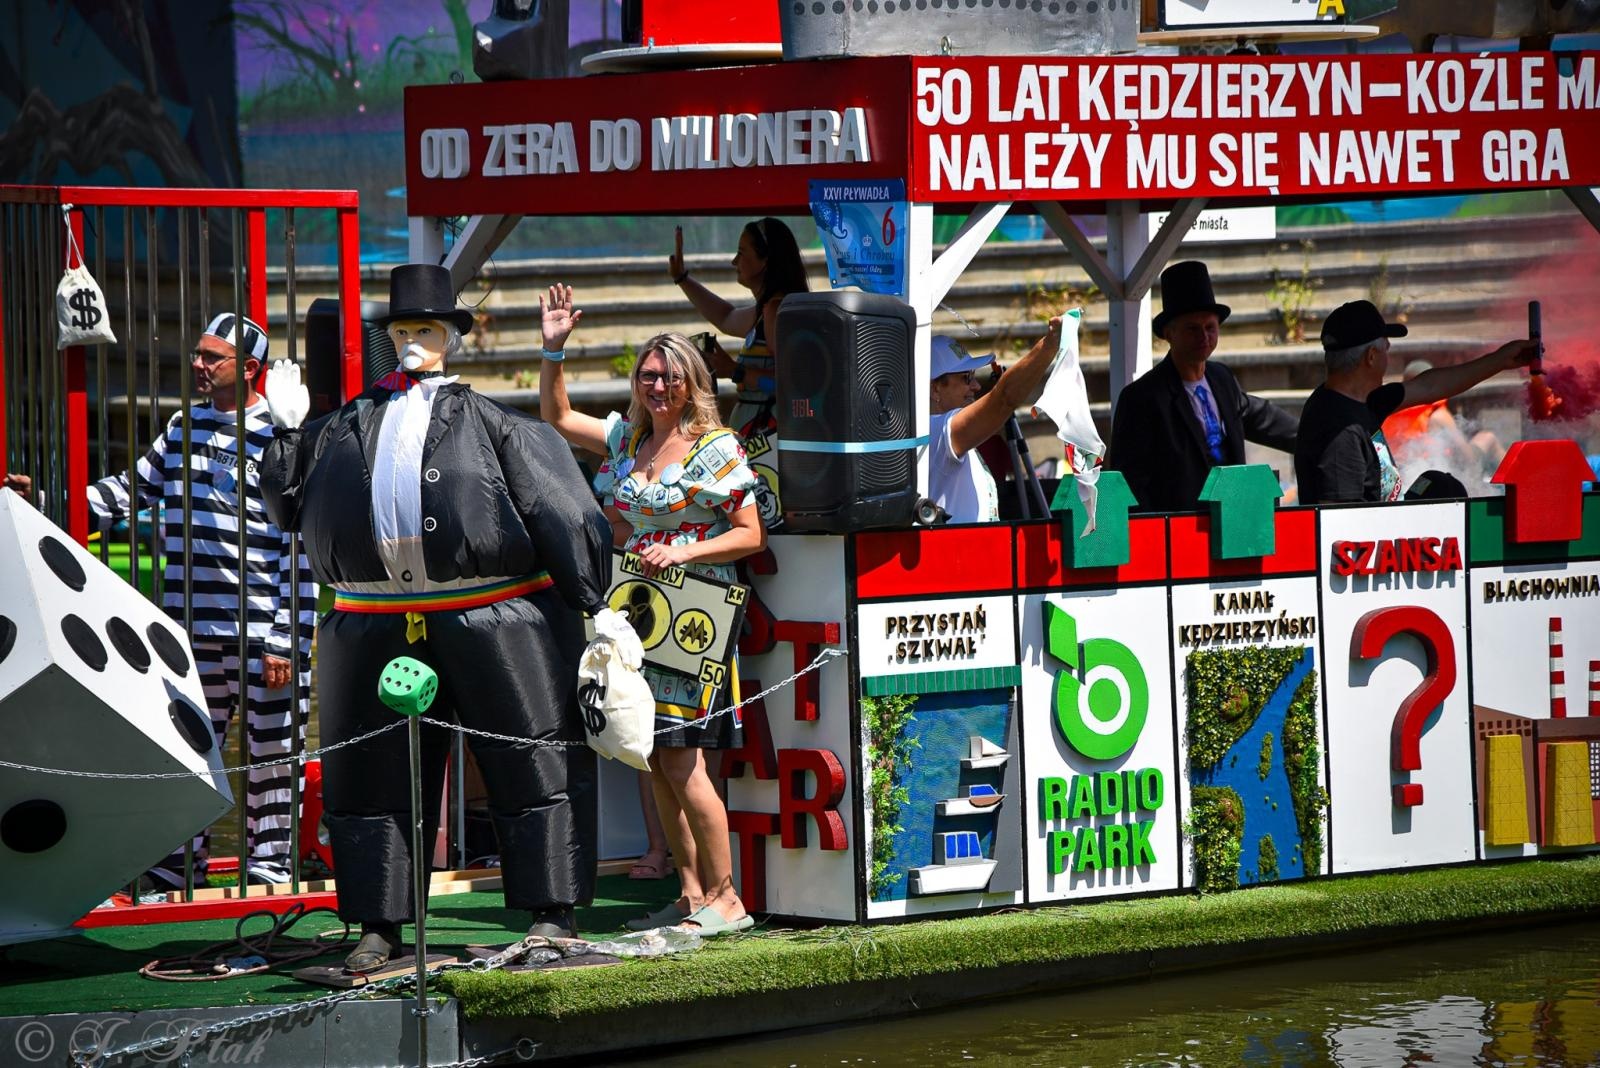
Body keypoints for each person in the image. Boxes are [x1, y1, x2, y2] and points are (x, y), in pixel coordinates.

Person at [260, 264, 612, 971]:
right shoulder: (337, 428)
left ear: (453, 336)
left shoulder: (498, 424)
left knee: (531, 759)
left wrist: (592, 603)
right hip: (371, 619)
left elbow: (567, 510)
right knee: (368, 775)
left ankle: (552, 914)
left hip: (493, 613)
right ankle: (379, 922)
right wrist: (285, 430)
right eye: (402, 331)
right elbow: (282, 506)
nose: (413, 342)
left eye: (425, 329)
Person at [8, 313, 316, 891]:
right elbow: (131, 491)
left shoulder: (282, 435)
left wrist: (286, 640)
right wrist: (49, 502)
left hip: (262, 634)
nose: (197, 365)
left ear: (248, 369)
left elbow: (300, 540)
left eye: (210, 357)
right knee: (186, 757)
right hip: (188, 634)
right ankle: (174, 871)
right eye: (197, 354)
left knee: (273, 757)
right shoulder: (183, 426)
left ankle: (271, 869)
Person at [539, 287, 766, 936]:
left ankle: (728, 898)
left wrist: (687, 546)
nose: (658, 385)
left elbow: (751, 534)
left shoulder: (715, 447)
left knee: (685, 760)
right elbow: (556, 415)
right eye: (648, 375)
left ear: (691, 383)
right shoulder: (624, 439)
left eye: (669, 376)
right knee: (654, 753)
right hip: (636, 618)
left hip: (699, 618)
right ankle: (691, 894)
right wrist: (553, 347)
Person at [1295, 300, 1537, 505]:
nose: (1388, 357)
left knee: (1438, 486)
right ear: (1371, 357)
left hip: (1383, 540)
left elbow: (1431, 386)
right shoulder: (1339, 431)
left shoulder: (1364, 400)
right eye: (1385, 350)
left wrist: (1501, 360)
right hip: (1367, 553)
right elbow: (1340, 527)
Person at [1107, 261, 1297, 513]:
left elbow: (1261, 418)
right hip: (1177, 533)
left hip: (1233, 522)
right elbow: (1131, 484)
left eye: (1210, 327)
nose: (1204, 337)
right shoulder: (1142, 398)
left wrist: (1320, 438)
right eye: (1192, 329)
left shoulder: (1222, 378)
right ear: (1169, 333)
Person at [669, 218, 808, 528]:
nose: (734, 261)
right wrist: (682, 278)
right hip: (757, 437)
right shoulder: (765, 308)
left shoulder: (776, 309)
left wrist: (736, 371)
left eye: (742, 252)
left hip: (769, 440)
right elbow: (726, 316)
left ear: (765, 259)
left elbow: (794, 384)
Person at [927, 322, 1064, 524]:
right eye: (966, 378)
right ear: (935, 389)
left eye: (973, 376)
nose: (976, 385)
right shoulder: (935, 430)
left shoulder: (947, 432)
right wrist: (1049, 345)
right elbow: (1004, 400)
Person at [1380, 358, 1507, 486]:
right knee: (1488, 437)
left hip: (1399, 477)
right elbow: (1466, 456)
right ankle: (1517, 482)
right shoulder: (1437, 415)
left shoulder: (1390, 410)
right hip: (1432, 476)